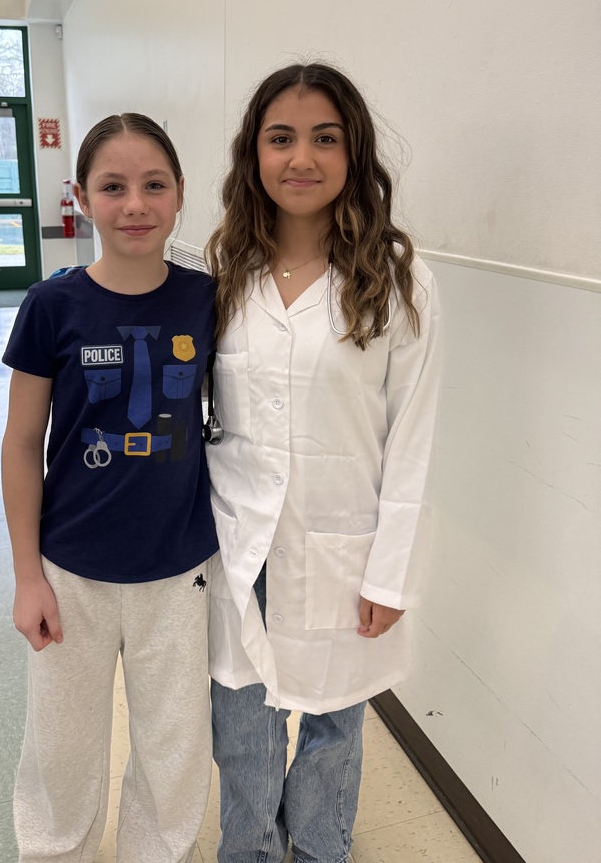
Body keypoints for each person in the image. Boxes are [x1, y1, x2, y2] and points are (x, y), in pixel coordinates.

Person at [204, 63, 441, 863]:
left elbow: (413, 436)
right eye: (281, 139)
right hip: (239, 540)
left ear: (353, 153)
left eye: (324, 139)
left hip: (343, 541)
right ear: (254, 155)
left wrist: (391, 573)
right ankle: (250, 851)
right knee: (243, 722)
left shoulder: (399, 282)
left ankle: (319, 848)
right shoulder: (224, 275)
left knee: (335, 724)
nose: (300, 158)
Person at [1, 113, 218, 863]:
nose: (135, 204)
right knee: (61, 749)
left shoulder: (206, 300)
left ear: (180, 195)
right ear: (83, 197)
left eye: (154, 185)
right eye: (113, 186)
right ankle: (55, 850)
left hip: (180, 569)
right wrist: (28, 575)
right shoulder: (52, 306)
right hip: (71, 572)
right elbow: (22, 444)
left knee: (174, 750)